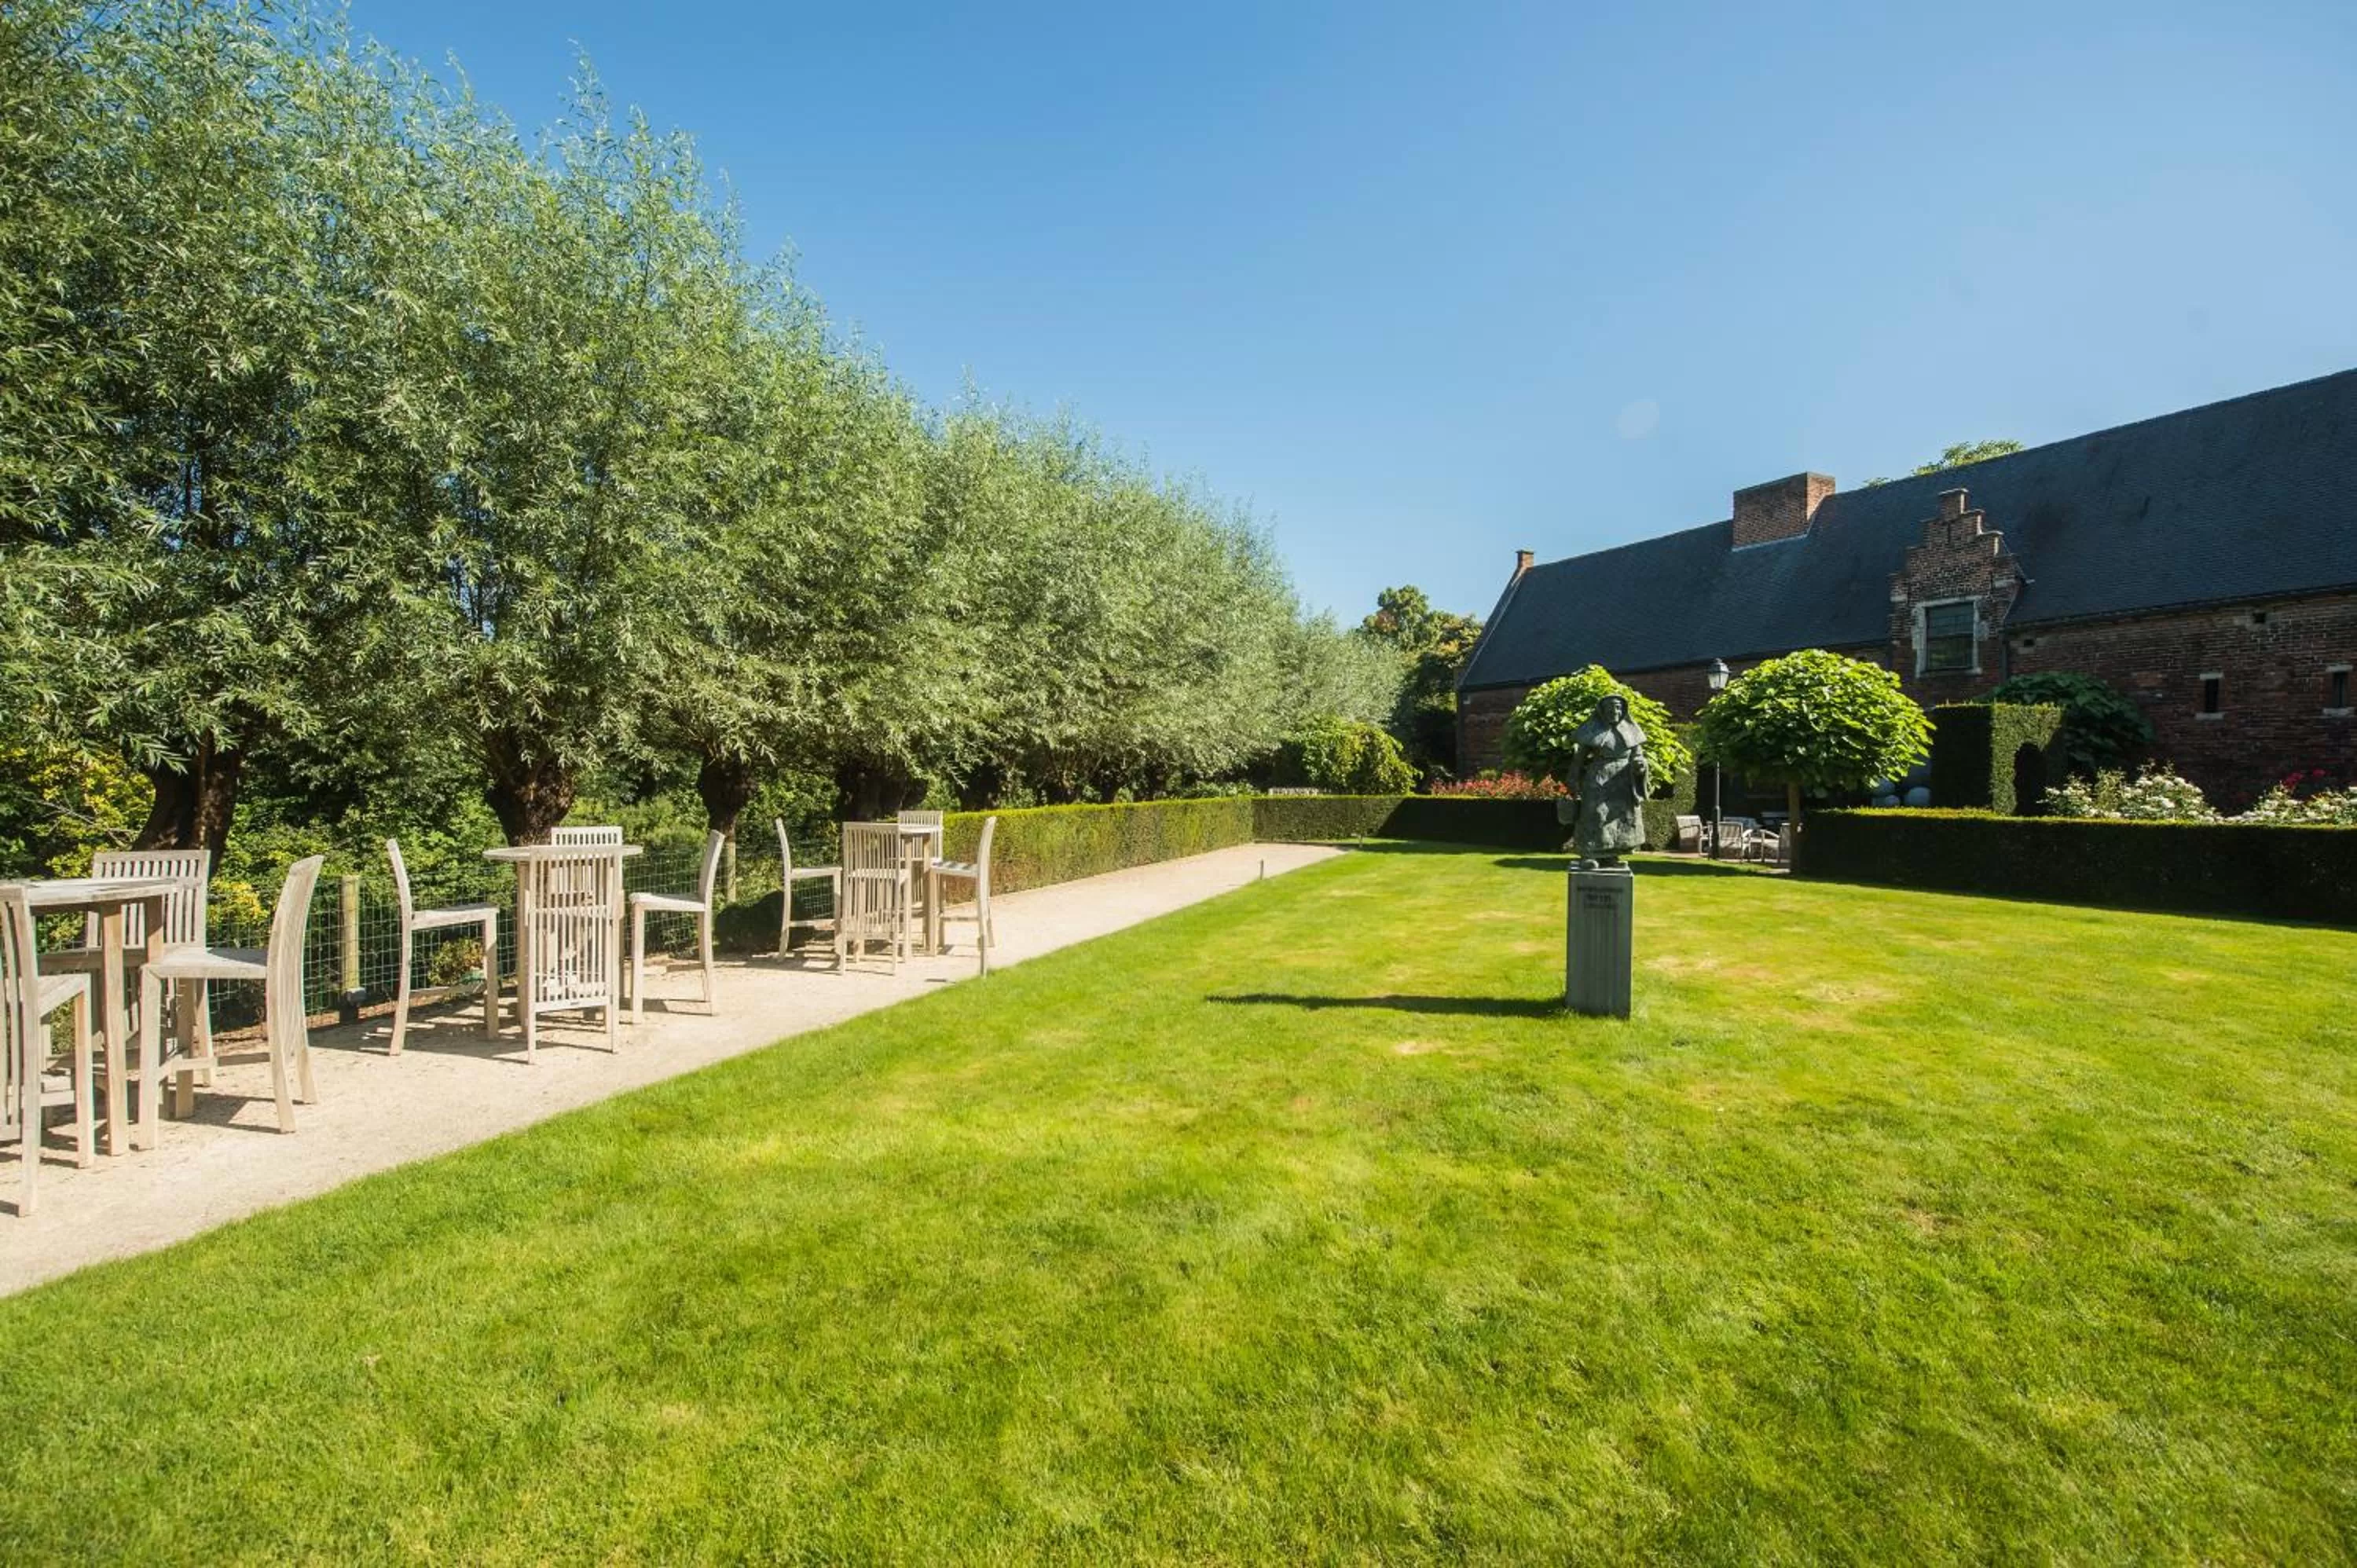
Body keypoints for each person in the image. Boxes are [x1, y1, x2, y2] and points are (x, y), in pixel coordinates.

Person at [1570, 695, 1650, 866]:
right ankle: (1589, 854)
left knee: (1618, 818)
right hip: (1598, 779)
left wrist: (1640, 765)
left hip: (1623, 781)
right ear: (1603, 711)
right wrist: (1573, 779)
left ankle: (1612, 855)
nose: (1615, 711)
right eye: (1611, 708)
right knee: (1595, 815)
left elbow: (1638, 755)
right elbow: (1578, 760)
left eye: (1619, 708)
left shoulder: (1631, 732)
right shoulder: (1593, 730)